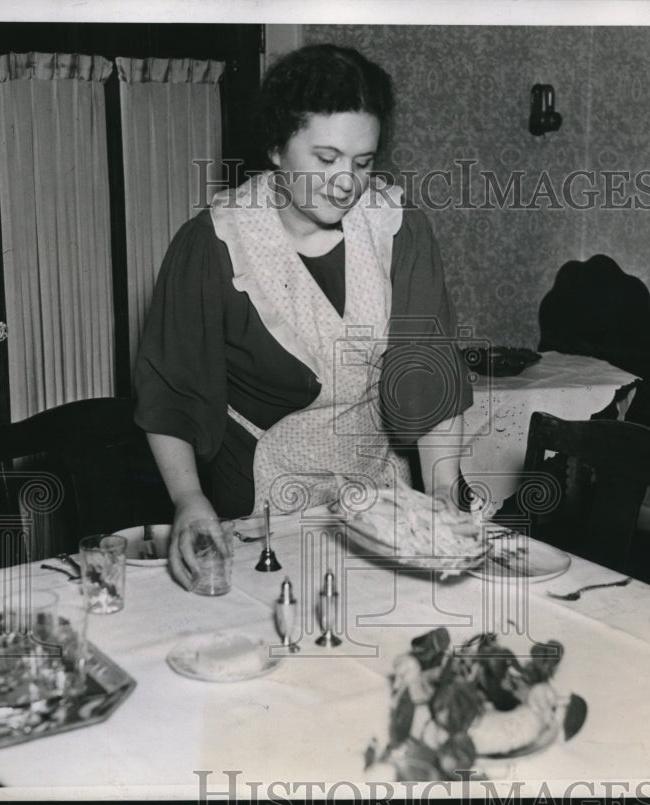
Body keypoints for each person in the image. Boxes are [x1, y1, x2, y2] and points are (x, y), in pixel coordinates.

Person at [133, 44, 473, 589]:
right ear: (275, 147)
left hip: (379, 495)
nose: (347, 182)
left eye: (363, 163)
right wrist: (189, 500)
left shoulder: (399, 229)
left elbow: (426, 374)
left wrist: (440, 494)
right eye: (326, 158)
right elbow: (173, 394)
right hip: (258, 502)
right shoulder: (215, 242)